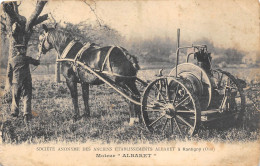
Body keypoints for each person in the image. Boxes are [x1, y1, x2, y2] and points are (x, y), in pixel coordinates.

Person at [5, 44, 40, 122]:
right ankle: (26, 115)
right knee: (27, 97)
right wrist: (38, 57)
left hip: (15, 83)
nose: (25, 50)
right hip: (26, 82)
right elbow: (37, 63)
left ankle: (14, 114)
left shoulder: (11, 60)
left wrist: (10, 83)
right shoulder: (26, 58)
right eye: (23, 49)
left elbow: (8, 74)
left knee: (15, 98)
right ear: (20, 50)